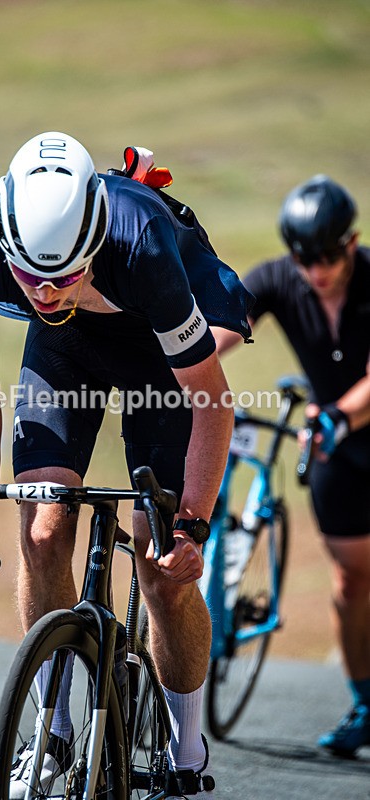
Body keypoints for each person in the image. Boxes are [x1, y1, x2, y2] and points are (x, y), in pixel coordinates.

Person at [0, 132, 253, 797]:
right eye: (31, 278)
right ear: (7, 247)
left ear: (92, 241)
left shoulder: (140, 243)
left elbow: (211, 402)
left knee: (159, 565)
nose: (46, 292)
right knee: (44, 529)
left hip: (157, 349)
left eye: (64, 275)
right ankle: (52, 733)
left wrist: (191, 526)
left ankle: (188, 749)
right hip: (67, 352)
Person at [214, 174, 370, 757]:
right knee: (352, 583)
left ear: (350, 243)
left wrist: (337, 416)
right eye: (305, 257)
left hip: (344, 423)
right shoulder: (280, 280)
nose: (317, 269)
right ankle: (365, 703)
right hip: (336, 451)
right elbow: (217, 334)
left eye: (328, 255)